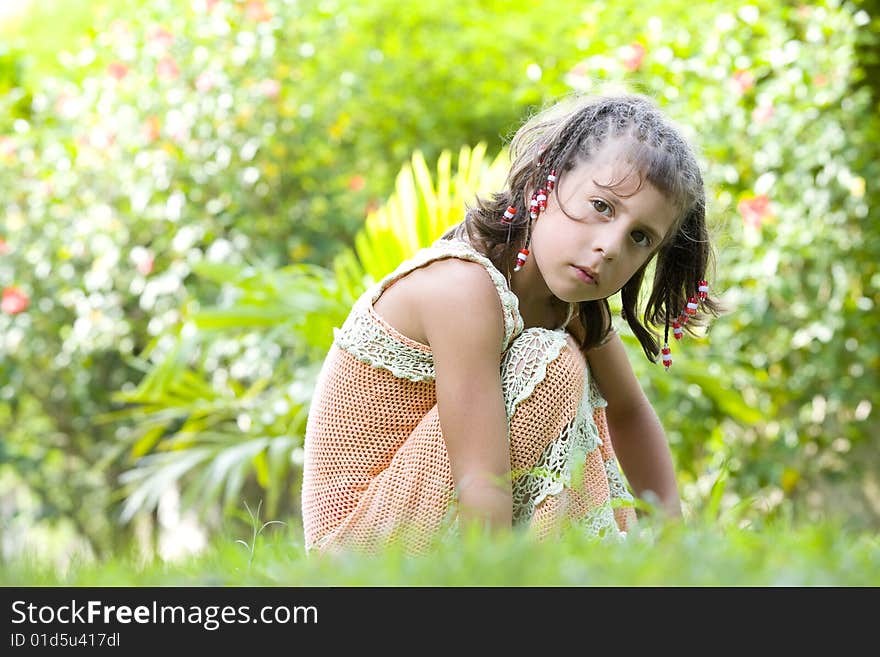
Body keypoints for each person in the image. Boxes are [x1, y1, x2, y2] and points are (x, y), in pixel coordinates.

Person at [301, 93, 720, 554]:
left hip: (428, 522)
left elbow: (630, 413)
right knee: (552, 363)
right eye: (602, 206)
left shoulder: (572, 306)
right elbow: (481, 482)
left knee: (562, 361)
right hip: (356, 553)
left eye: (640, 237)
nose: (611, 246)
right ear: (545, 179)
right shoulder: (464, 288)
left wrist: (672, 545)